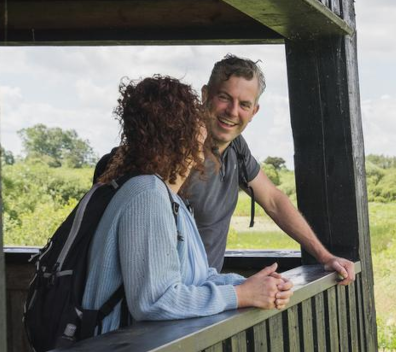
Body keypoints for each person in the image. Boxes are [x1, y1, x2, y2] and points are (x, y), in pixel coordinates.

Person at [95, 54, 357, 286]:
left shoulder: (236, 149)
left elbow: (274, 201)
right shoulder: (173, 146)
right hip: (160, 297)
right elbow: (151, 203)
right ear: (205, 95)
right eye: (224, 98)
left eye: (244, 104)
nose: (232, 111)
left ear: (254, 111)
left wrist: (325, 256)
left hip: (202, 295)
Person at [83, 76, 293, 335]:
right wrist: (239, 295)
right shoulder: (146, 196)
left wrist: (251, 285)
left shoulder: (170, 200)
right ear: (177, 140)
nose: (203, 153)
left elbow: (197, 278)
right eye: (198, 139)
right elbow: (155, 301)